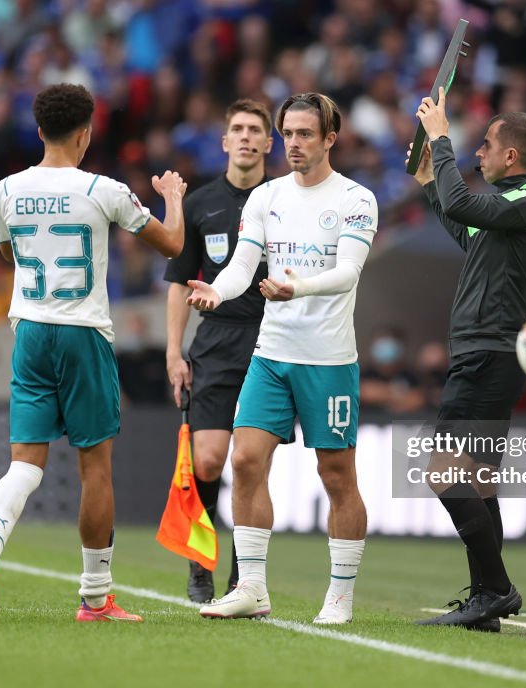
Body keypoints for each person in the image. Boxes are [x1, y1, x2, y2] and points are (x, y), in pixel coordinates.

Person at [0, 83, 187, 623]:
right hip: (82, 332)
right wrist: (173, 197)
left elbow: (10, 251)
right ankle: (95, 597)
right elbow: (173, 245)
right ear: (85, 133)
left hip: (31, 331)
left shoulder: (7, 190)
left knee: (24, 464)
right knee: (95, 469)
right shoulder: (103, 189)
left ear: (39, 131)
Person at [187, 93, 377, 625]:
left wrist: (299, 287)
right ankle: (251, 588)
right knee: (245, 460)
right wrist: (217, 294)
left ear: (329, 139)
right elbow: (242, 265)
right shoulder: (266, 198)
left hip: (329, 359)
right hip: (271, 355)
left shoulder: (357, 199)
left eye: (305, 134)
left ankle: (339, 594)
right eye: (288, 133)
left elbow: (348, 273)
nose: (293, 144)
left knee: (337, 476)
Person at [407, 88, 526, 631]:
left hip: (487, 355)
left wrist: (442, 137)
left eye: (486, 146)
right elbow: (465, 228)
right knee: (480, 483)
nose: (479, 154)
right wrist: (428, 183)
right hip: (485, 354)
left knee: (444, 475)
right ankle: (486, 604)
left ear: (510, 156)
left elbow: (466, 204)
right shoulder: (507, 210)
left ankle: (496, 590)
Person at [162, 98, 274, 602]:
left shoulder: (284, 202)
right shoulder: (200, 203)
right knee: (207, 462)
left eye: (256, 130)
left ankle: (242, 576)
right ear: (225, 141)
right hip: (215, 341)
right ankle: (200, 561)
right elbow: (178, 283)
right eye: (238, 129)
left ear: (269, 143)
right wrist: (173, 352)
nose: (247, 137)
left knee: (250, 464)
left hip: (271, 340)